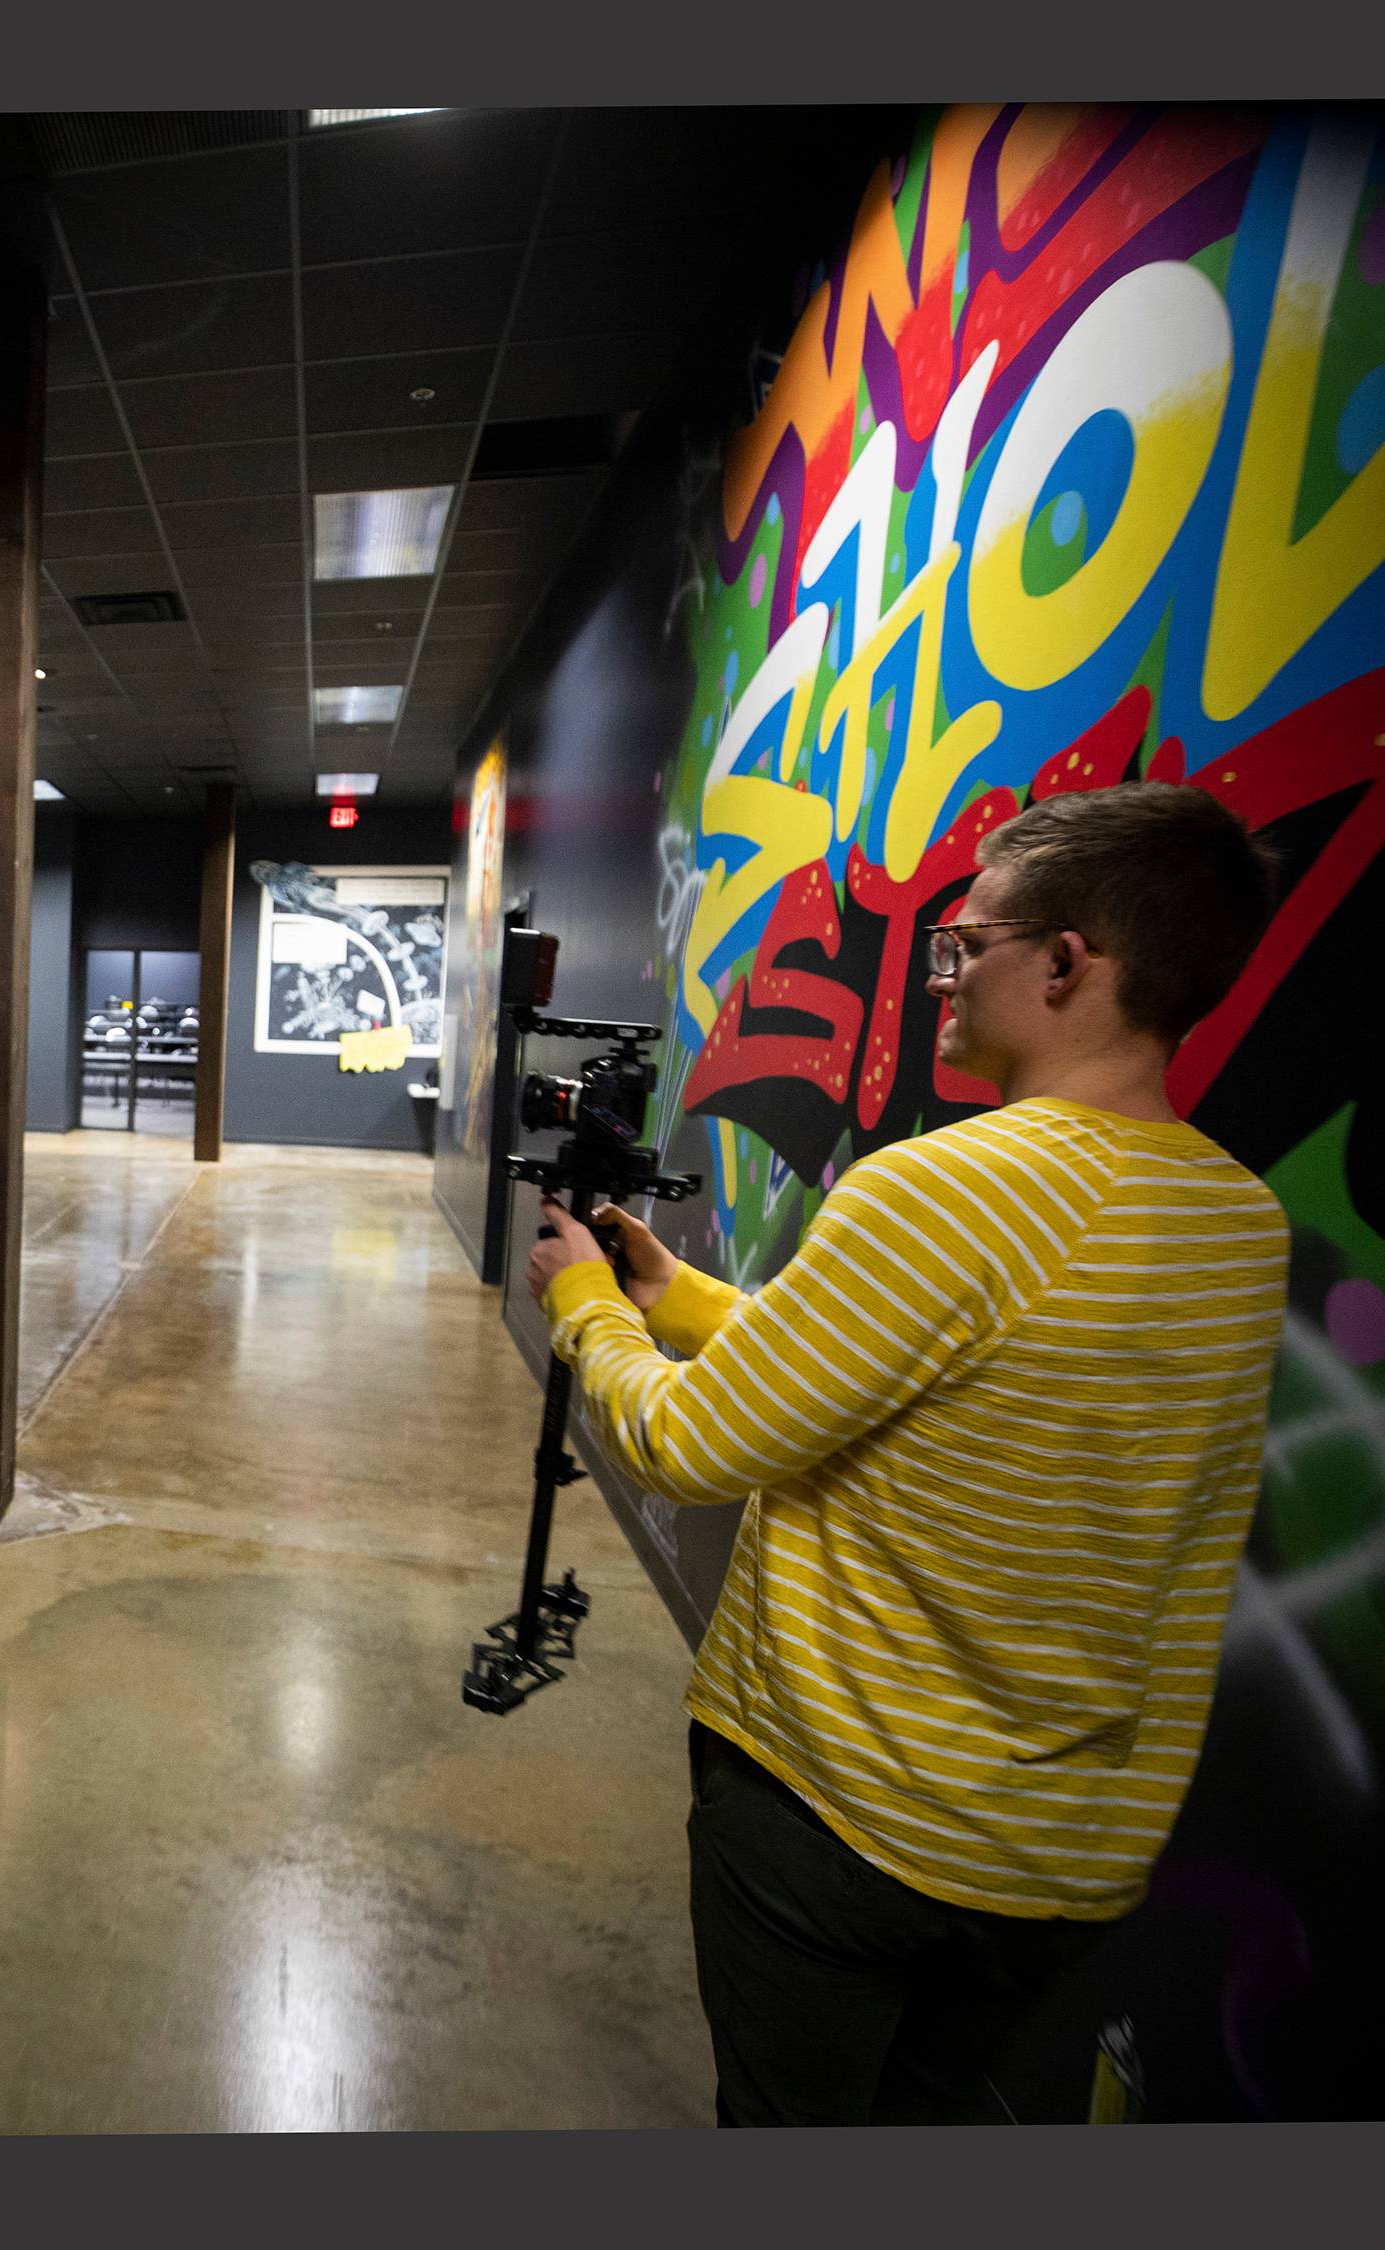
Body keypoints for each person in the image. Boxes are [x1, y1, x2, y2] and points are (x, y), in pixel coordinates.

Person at [525, 781, 1287, 2126]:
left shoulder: (942, 1188)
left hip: (845, 1823)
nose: (942, 974)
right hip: (1061, 1860)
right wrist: (688, 1303)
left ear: (1066, 962)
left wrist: (584, 1303)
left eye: (968, 942)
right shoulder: (1238, 1219)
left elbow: (685, 1444)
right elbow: (947, 1379)